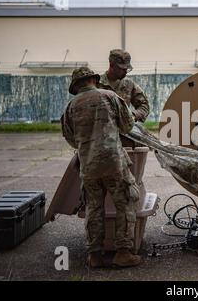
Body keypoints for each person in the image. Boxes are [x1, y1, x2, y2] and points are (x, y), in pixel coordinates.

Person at [61, 67, 142, 268]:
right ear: (93, 80)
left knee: (93, 207)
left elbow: (71, 139)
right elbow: (127, 126)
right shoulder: (110, 96)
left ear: (76, 86)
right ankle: (123, 252)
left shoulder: (70, 107)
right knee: (125, 202)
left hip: (88, 166)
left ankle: (94, 255)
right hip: (114, 163)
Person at [98, 49, 150, 123]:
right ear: (111, 65)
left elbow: (144, 105)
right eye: (121, 69)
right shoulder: (97, 84)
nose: (125, 72)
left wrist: (133, 116)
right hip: (101, 130)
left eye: (126, 69)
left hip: (123, 131)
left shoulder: (129, 84)